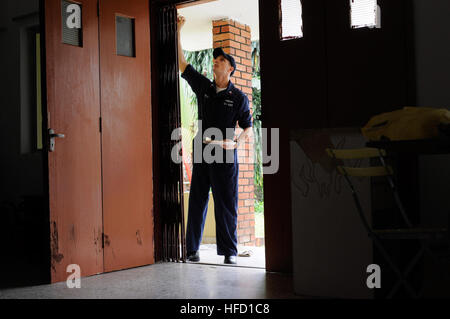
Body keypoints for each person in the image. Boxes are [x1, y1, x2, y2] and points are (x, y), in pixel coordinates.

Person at [177, 15, 253, 264]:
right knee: (197, 200)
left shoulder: (239, 97)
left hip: (225, 154)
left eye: (220, 61)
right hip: (202, 151)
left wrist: (236, 143)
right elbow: (182, 64)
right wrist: (178, 30)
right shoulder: (205, 88)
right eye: (215, 60)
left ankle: (229, 253)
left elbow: (248, 128)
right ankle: (192, 250)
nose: (215, 63)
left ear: (230, 68)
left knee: (226, 203)